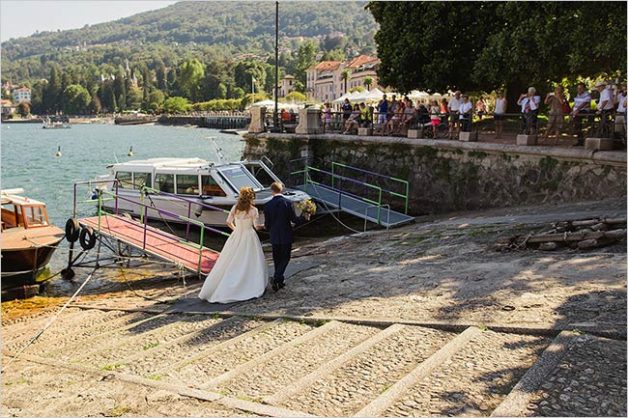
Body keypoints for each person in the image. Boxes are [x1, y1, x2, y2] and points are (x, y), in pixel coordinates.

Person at [199, 187, 267, 303]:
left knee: (229, 260)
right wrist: (264, 225)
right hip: (249, 235)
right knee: (250, 260)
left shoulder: (235, 208)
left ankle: (218, 287)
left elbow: (228, 222)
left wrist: (236, 229)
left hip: (236, 235)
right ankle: (249, 282)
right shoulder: (253, 210)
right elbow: (256, 226)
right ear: (251, 198)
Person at [263, 182, 309, 291]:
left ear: (271, 190)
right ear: (282, 190)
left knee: (277, 259)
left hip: (274, 235)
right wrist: (304, 216)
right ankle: (277, 278)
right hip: (285, 234)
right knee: (285, 258)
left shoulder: (267, 205)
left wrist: (269, 230)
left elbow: (267, 224)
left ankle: (279, 280)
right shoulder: (287, 203)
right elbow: (294, 220)